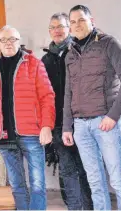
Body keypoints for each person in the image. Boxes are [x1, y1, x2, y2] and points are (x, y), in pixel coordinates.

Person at [63, 5, 121, 210]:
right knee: (95, 182)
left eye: (81, 20)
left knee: (118, 180)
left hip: (105, 123)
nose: (77, 25)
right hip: (81, 127)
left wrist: (113, 116)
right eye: (72, 22)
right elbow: (68, 92)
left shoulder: (109, 44)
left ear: (92, 20)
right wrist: (67, 126)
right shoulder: (70, 54)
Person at [0, 25, 55, 210]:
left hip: (31, 133)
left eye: (12, 39)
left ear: (19, 41)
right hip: (5, 135)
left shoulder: (34, 64)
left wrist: (46, 126)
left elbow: (47, 96)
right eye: (3, 40)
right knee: (17, 186)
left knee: (37, 186)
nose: (8, 43)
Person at [42, 13, 92, 210]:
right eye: (53, 27)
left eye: (61, 26)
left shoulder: (79, 51)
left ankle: (88, 207)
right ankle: (74, 207)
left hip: (80, 120)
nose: (57, 30)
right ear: (49, 31)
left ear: (68, 29)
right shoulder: (45, 59)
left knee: (85, 168)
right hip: (58, 123)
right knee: (67, 169)